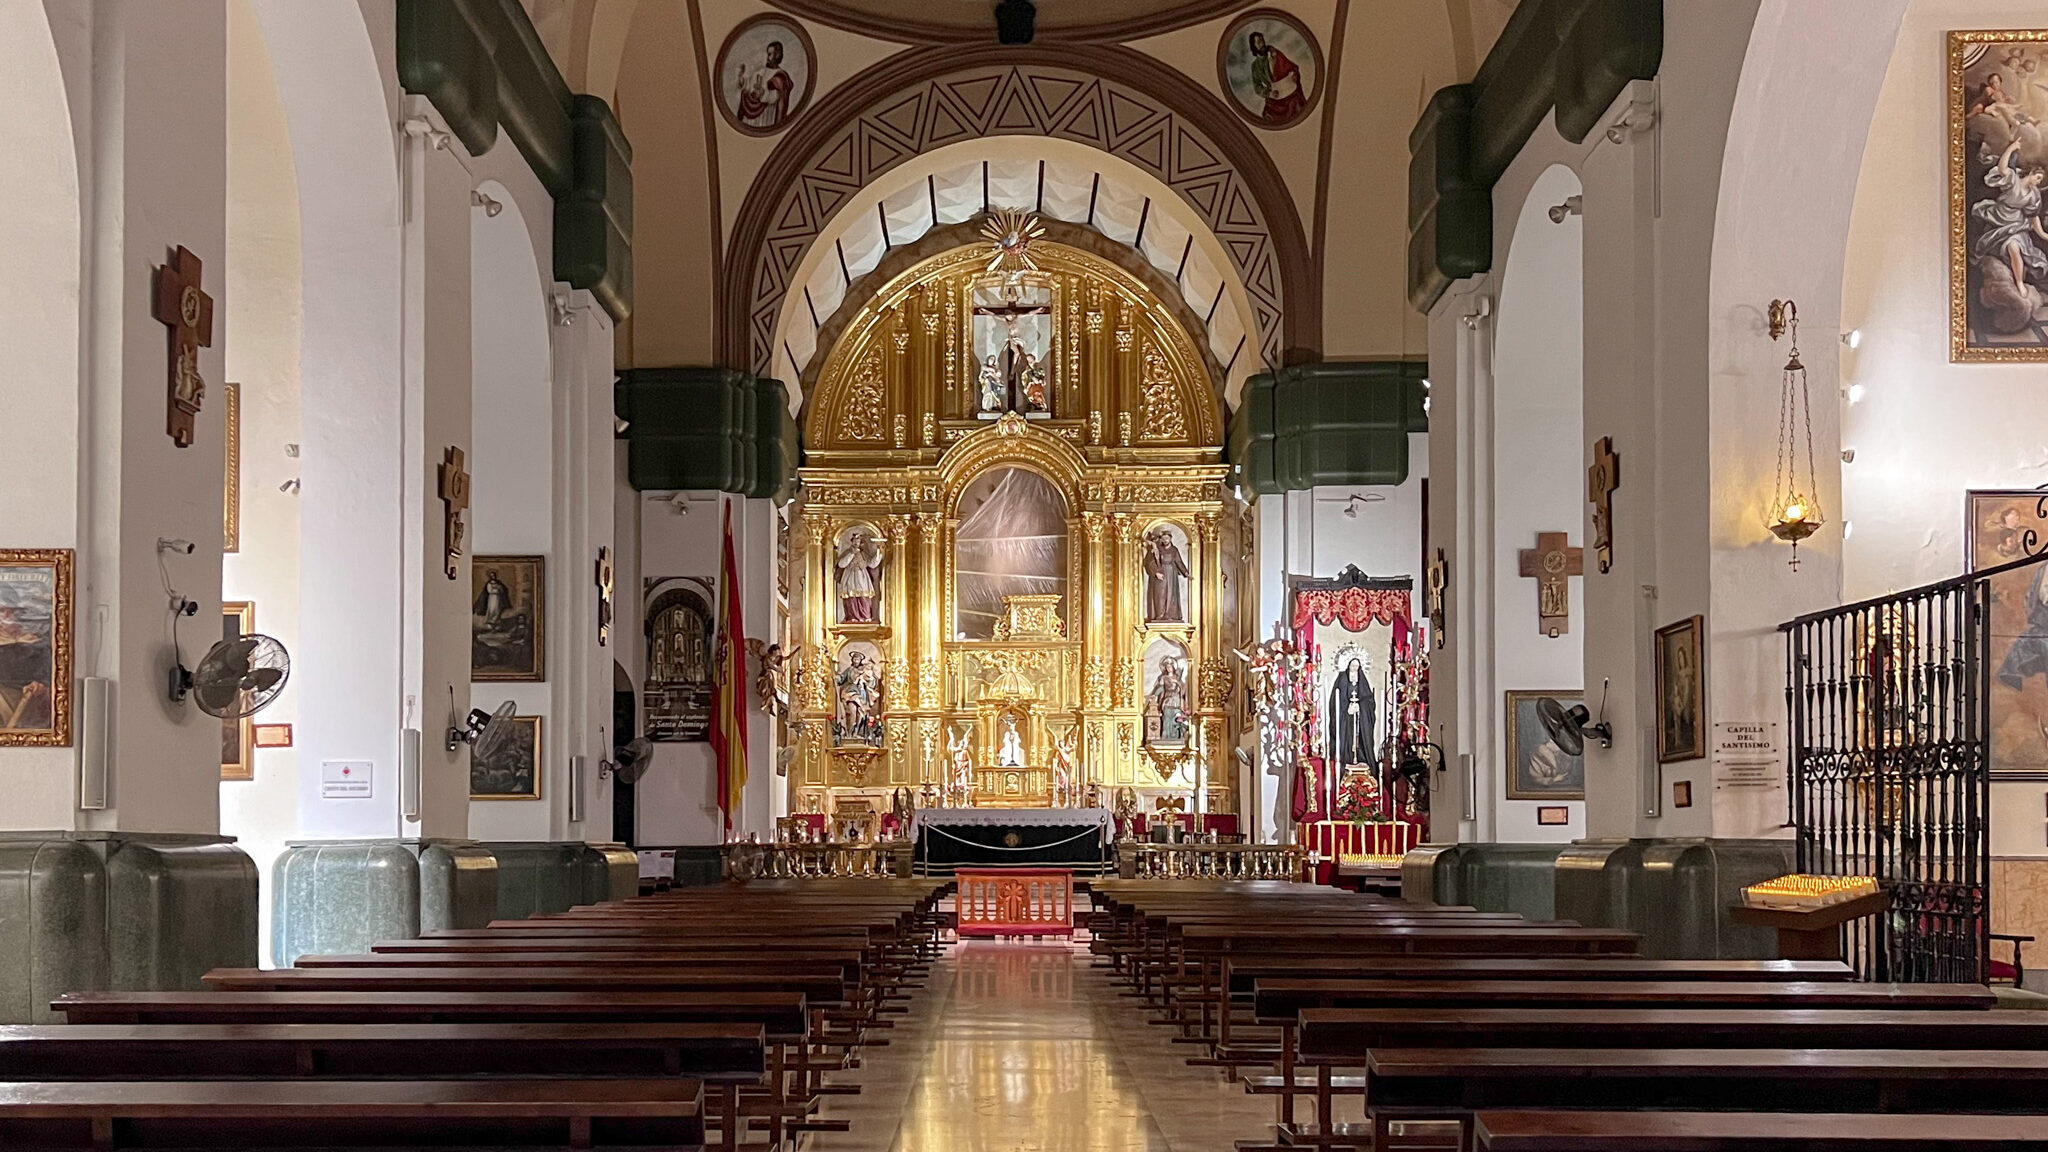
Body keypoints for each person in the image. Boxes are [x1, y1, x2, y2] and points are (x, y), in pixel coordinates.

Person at [1326, 656, 1377, 770]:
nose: (1354, 670)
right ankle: (1345, 764)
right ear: (1348, 667)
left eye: (1357, 667)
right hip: (1345, 723)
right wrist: (1346, 710)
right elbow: (1335, 704)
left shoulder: (1363, 683)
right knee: (1345, 743)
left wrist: (1360, 707)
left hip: (1359, 722)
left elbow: (1369, 702)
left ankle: (1361, 760)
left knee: (1360, 742)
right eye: (1352, 666)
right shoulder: (1342, 680)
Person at [1247, 30, 1306, 123]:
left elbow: (1291, 66)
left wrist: (1294, 75)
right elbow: (1257, 86)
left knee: (1297, 105)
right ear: (1253, 46)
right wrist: (1269, 93)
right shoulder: (1255, 66)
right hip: (1274, 98)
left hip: (1289, 93)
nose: (1262, 44)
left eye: (1262, 40)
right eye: (1258, 42)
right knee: (1268, 117)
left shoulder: (1274, 54)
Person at [736, 40, 794, 130]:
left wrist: (763, 94)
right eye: (768, 54)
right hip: (753, 116)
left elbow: (777, 96)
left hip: (767, 115)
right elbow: (749, 84)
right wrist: (741, 77)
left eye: (770, 54)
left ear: (777, 55)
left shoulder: (780, 76)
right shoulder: (761, 71)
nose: (767, 57)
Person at [835, 530, 882, 623]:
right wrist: (852, 553)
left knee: (864, 597)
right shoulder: (848, 552)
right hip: (850, 577)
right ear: (852, 541)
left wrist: (878, 552)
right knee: (851, 597)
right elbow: (841, 564)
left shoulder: (863, 554)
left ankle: (865, 616)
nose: (857, 543)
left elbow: (872, 564)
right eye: (855, 541)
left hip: (862, 577)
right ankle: (852, 616)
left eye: (859, 541)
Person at [1143, 529, 1189, 622]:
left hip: (1171, 575)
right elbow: (1150, 562)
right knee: (1160, 594)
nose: (1165, 540)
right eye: (1163, 538)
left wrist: (1186, 573)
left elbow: (1179, 562)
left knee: (1171, 595)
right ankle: (1159, 615)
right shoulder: (1156, 549)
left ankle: (1170, 615)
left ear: (1170, 539)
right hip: (1160, 573)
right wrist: (1156, 572)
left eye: (1167, 538)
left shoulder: (1174, 550)